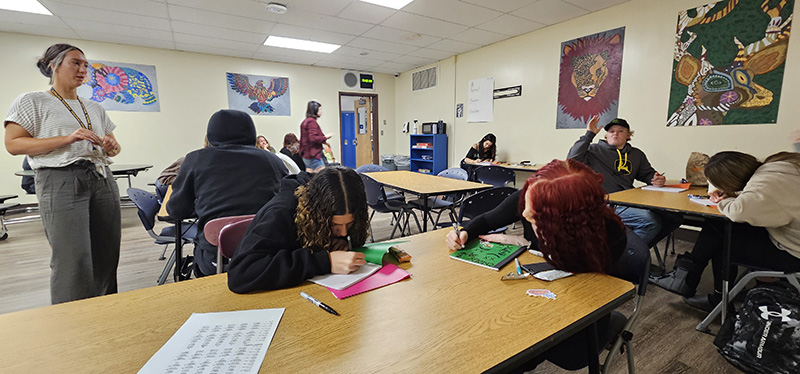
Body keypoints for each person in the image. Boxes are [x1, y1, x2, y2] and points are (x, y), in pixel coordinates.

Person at [445, 159, 627, 370]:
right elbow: (487, 220)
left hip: (575, 323)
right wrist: (464, 232)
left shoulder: (608, 236)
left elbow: (584, 292)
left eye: (536, 216)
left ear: (567, 221)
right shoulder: (535, 195)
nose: (524, 214)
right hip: (536, 297)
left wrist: (524, 244)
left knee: (500, 351)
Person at [4, 43, 122, 304]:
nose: (83, 69)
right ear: (53, 66)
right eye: (75, 63)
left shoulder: (94, 108)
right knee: (72, 257)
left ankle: (107, 310)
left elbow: (114, 148)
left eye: (85, 65)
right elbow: (13, 144)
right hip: (60, 179)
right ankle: (72, 319)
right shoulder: (31, 100)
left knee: (107, 252)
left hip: (101, 178)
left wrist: (111, 146)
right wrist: (66, 139)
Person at [653, 151, 800, 312]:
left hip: (793, 252)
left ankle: (710, 294)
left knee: (723, 239)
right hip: (792, 237)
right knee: (720, 226)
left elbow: (737, 210)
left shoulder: (764, 186)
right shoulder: (778, 166)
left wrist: (723, 199)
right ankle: (689, 278)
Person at [167, 109, 288, 277]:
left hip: (215, 261)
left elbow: (176, 211)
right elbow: (288, 200)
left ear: (211, 133)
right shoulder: (272, 160)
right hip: (267, 254)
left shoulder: (195, 160)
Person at [228, 166, 370, 293]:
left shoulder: (335, 208)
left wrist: (337, 241)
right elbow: (240, 274)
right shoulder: (281, 212)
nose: (344, 233)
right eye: (334, 226)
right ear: (317, 213)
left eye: (349, 225)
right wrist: (325, 261)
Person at [567, 115, 681, 246]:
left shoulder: (636, 154)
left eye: (620, 131)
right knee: (650, 221)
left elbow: (646, 173)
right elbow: (571, 160)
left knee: (674, 218)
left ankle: (635, 250)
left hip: (630, 201)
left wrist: (655, 179)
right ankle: (625, 257)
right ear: (606, 135)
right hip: (603, 203)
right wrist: (589, 134)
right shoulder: (593, 151)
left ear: (628, 135)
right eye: (611, 131)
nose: (615, 134)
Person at [299, 100, 332, 172]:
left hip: (306, 154)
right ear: (315, 110)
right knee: (322, 176)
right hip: (313, 155)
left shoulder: (305, 121)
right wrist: (326, 137)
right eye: (320, 109)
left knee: (310, 175)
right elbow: (313, 138)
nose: (321, 111)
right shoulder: (311, 122)